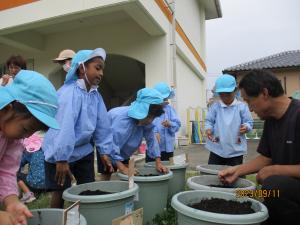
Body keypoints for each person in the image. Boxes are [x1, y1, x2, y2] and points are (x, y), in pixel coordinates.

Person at [219, 69, 300, 225]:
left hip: (286, 189)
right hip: (280, 192)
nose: (249, 109)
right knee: (243, 195)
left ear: (264, 93)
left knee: (273, 185)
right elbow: (266, 157)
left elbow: (272, 170)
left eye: (249, 101)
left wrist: (275, 170)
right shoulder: (271, 119)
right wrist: (237, 170)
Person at [42, 48, 114, 208]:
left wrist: (104, 151)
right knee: (60, 191)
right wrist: (61, 158)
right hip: (59, 151)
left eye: (102, 69)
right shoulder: (68, 93)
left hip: (83, 151)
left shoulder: (96, 95)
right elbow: (63, 127)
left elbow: (102, 125)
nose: (101, 73)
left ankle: (84, 217)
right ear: (82, 68)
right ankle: (56, 218)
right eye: (97, 67)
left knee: (87, 189)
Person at [0, 70, 59, 225]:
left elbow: (6, 171)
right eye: (26, 129)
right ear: (7, 110)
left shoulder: (12, 137)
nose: (27, 136)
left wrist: (12, 202)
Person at [98, 88, 168, 178]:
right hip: (107, 147)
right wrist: (122, 168)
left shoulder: (146, 122)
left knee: (128, 173)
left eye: (153, 118)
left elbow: (152, 139)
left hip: (125, 150)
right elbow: (112, 145)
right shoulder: (121, 120)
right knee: (107, 172)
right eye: (149, 116)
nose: (151, 121)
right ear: (141, 111)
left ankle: (125, 189)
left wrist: (158, 162)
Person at [205, 74, 253, 166]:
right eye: (222, 95)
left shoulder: (242, 107)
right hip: (217, 148)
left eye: (228, 94)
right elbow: (209, 121)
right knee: (213, 173)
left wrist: (246, 127)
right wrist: (208, 128)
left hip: (236, 150)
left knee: (235, 174)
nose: (225, 97)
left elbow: (249, 122)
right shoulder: (215, 106)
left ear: (235, 91)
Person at [145, 82, 181, 162]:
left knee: (167, 169)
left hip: (167, 149)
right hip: (152, 146)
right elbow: (145, 125)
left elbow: (177, 125)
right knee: (151, 169)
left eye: (166, 98)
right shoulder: (149, 109)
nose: (165, 100)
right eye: (163, 98)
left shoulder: (170, 109)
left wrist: (170, 124)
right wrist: (154, 133)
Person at [18, 132, 46, 203]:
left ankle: (28, 194)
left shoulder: (28, 153)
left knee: (15, 174)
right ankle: (36, 192)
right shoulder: (45, 150)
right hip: (49, 184)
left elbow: (18, 166)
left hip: (35, 185)